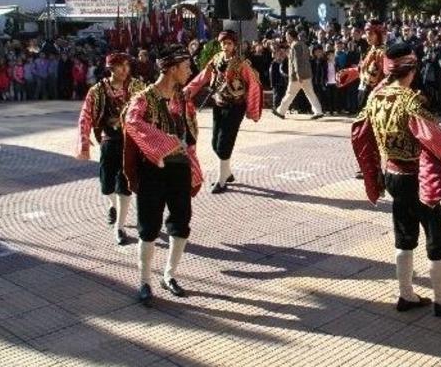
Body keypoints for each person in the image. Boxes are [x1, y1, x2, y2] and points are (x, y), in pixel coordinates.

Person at [352, 43, 441, 317]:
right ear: (411, 70)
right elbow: (435, 139)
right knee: (436, 235)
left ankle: (406, 294)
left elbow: (360, 132)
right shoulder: (411, 101)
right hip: (416, 177)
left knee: (404, 232)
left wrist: (372, 168)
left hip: (392, 174)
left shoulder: (376, 97)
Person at [123, 44, 204, 307]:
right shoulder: (143, 98)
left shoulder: (182, 97)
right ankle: (145, 280)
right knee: (148, 226)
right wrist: (163, 142)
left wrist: (187, 149)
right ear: (171, 68)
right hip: (153, 169)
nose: (190, 70)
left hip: (180, 167)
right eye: (186, 66)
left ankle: (169, 275)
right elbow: (132, 122)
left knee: (181, 222)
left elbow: (190, 130)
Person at [75, 53, 147, 245]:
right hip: (108, 139)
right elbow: (86, 114)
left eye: (127, 65)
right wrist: (83, 140)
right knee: (107, 185)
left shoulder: (137, 86)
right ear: (110, 68)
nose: (125, 70)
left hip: (130, 141)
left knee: (125, 184)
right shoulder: (98, 90)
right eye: (120, 66)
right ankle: (112, 205)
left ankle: (120, 228)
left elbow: (151, 107)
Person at [186, 30, 263, 194]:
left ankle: (222, 181)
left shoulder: (241, 64)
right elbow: (203, 76)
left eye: (229, 43)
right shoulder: (216, 59)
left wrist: (252, 108)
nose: (225, 46)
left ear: (234, 45)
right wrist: (187, 91)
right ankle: (227, 174)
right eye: (223, 43)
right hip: (219, 104)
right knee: (215, 142)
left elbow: (254, 85)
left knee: (224, 143)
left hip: (235, 106)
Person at [272, 29, 324, 119]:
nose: (286, 38)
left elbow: (297, 61)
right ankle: (318, 111)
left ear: (291, 36)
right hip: (307, 74)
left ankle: (281, 111)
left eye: (287, 36)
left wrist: (298, 74)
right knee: (310, 93)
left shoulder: (294, 46)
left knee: (290, 93)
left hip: (297, 76)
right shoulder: (303, 45)